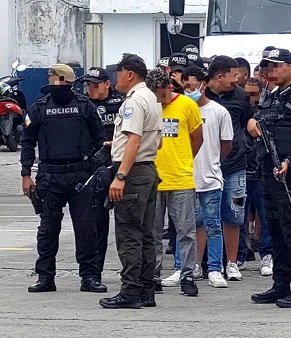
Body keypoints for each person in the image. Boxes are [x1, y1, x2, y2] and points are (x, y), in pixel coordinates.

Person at [21, 64, 106, 293]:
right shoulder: (39, 107)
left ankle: (89, 277)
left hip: (81, 175)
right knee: (48, 229)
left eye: (53, 77)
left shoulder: (84, 106)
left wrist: (96, 169)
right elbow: (27, 142)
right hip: (50, 176)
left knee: (86, 229)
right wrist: (26, 174)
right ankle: (45, 277)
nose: (51, 80)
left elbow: (101, 141)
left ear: (62, 80)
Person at [248, 48, 291, 308]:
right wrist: (251, 124)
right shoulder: (271, 96)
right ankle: (280, 285)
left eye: (276, 66)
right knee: (276, 232)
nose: (270, 71)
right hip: (269, 173)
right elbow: (258, 121)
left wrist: (290, 161)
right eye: (267, 66)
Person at [99, 53, 162, 309]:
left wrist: (121, 176)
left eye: (118, 72)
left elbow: (135, 139)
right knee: (146, 233)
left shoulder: (134, 102)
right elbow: (151, 139)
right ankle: (147, 290)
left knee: (129, 234)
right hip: (147, 169)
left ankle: (130, 291)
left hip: (133, 173)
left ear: (130, 74)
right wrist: (118, 145)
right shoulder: (152, 98)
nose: (115, 77)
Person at [144, 68, 203, 297]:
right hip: (153, 179)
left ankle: (187, 274)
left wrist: (183, 159)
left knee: (186, 231)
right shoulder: (147, 106)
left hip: (180, 178)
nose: (160, 99)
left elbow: (197, 138)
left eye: (162, 93)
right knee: (153, 232)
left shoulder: (187, 105)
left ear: (170, 87)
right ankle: (154, 275)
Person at [182, 66, 234, 287]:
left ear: (204, 84)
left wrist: (213, 163)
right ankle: (184, 267)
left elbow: (226, 145)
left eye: (193, 85)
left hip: (210, 178)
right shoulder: (179, 110)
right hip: (185, 178)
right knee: (186, 226)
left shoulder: (219, 112)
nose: (190, 90)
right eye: (185, 87)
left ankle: (214, 268)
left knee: (213, 224)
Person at [205, 56, 254, 281]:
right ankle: (202, 264)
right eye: (233, 75)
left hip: (235, 164)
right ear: (219, 76)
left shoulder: (242, 97)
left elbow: (247, 122)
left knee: (234, 215)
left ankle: (232, 263)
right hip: (205, 164)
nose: (237, 79)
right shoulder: (200, 96)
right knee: (203, 217)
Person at [84, 67, 125, 275]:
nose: (91, 89)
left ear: (107, 84)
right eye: (88, 85)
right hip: (94, 166)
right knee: (95, 222)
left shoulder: (121, 103)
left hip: (119, 163)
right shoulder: (83, 104)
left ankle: (132, 268)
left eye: (96, 84)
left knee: (126, 220)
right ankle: (95, 270)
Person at [239, 77, 273, 276]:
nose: (251, 98)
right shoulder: (238, 116)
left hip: (261, 173)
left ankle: (266, 255)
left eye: (254, 94)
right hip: (241, 171)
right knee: (238, 217)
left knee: (265, 216)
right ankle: (240, 255)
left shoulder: (265, 114)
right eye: (247, 95)